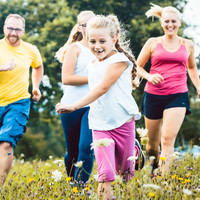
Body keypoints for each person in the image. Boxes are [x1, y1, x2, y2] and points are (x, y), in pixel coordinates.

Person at [57, 15, 141, 200]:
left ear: (114, 39)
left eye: (102, 41)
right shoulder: (92, 65)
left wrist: (74, 106)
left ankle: (134, 148)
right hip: (99, 124)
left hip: (122, 122)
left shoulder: (120, 60)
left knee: (125, 173)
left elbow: (103, 88)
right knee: (105, 175)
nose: (97, 46)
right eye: (92, 41)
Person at [0, 14, 44, 186]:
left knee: (6, 142)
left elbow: (38, 66)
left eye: (17, 29)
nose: (13, 32)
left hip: (19, 102)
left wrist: (36, 86)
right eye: (10, 28)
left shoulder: (31, 50)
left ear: (23, 31)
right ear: (4, 28)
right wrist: (1, 68)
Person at [135, 4, 200, 176]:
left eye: (173, 21)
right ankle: (154, 165)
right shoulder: (153, 43)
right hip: (153, 95)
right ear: (161, 23)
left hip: (177, 95)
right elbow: (137, 66)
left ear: (179, 23)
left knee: (167, 139)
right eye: (166, 21)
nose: (170, 24)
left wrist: (198, 86)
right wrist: (150, 77)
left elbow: (192, 68)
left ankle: (163, 181)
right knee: (152, 145)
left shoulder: (187, 44)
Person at [55, 10, 96, 185]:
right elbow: (67, 78)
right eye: (86, 25)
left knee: (86, 147)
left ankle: (80, 188)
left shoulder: (101, 47)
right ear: (80, 27)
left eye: (93, 24)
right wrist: (96, 78)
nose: (90, 29)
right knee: (72, 152)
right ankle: (72, 183)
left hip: (93, 105)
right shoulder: (75, 48)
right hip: (70, 105)